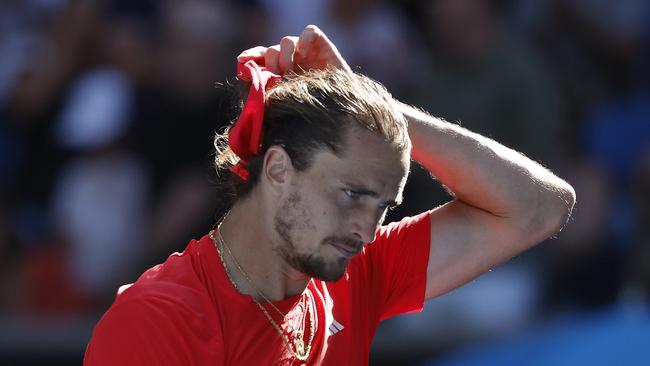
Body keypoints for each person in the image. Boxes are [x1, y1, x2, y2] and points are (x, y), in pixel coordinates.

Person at [84, 25, 575, 365]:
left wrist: (375, 107)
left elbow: (542, 208)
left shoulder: (355, 266)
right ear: (278, 168)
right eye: (351, 194)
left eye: (383, 206)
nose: (367, 227)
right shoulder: (155, 320)